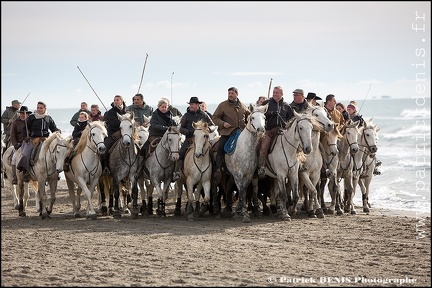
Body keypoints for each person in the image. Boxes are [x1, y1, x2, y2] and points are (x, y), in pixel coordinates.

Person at [212, 87, 251, 184]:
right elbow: (215, 118)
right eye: (229, 93)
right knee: (221, 147)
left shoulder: (243, 106)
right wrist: (223, 123)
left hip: (241, 133)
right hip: (227, 133)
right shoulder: (222, 105)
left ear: (237, 94)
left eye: (232, 93)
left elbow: (249, 118)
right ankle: (218, 169)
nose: (230, 95)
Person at [173, 97, 215, 181]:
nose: (190, 106)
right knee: (181, 153)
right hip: (190, 140)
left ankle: (213, 172)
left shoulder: (204, 114)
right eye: (190, 104)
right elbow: (181, 128)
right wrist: (188, 132)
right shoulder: (186, 115)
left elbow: (213, 125)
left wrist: (209, 129)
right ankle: (177, 172)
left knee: (212, 153)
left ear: (197, 105)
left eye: (192, 104)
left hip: (203, 141)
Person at [17, 101, 61, 182]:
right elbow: (24, 129)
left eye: (41, 108)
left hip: (46, 140)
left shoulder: (48, 118)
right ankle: (25, 172)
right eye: (38, 107)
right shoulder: (32, 117)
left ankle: (56, 172)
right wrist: (25, 137)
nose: (39, 109)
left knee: (57, 152)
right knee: (26, 154)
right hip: (33, 139)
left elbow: (53, 128)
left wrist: (58, 131)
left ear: (45, 109)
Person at [258, 86, 294, 178]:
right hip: (269, 131)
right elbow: (260, 114)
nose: (274, 94)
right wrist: (271, 113)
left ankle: (297, 165)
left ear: (281, 94)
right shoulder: (267, 103)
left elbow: (291, 119)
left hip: (282, 132)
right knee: (263, 148)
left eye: (276, 92)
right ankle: (262, 167)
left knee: (294, 146)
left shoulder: (286, 106)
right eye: (274, 92)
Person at [101, 95, 127, 175]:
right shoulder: (111, 112)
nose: (116, 101)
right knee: (104, 148)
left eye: (118, 100)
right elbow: (114, 123)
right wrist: (124, 123)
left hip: (126, 134)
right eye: (115, 100)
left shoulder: (127, 111)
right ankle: (105, 167)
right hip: (113, 134)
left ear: (122, 101)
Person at [9, 106, 32, 184]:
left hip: (29, 144)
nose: (23, 115)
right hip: (19, 145)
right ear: (20, 113)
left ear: (27, 114)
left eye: (25, 113)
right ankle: (15, 177)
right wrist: (15, 144)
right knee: (14, 159)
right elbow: (12, 135)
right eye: (21, 113)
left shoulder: (30, 121)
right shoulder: (15, 122)